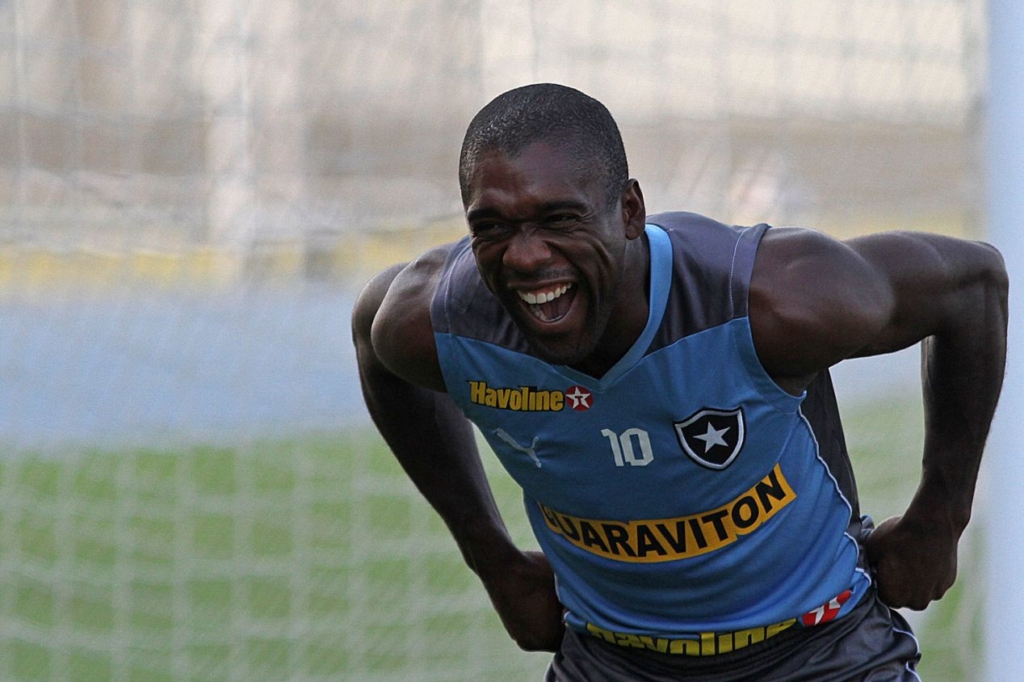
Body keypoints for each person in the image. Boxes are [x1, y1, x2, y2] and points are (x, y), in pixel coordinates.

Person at [351, 83, 1008, 680]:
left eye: (559, 219)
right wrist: (493, 562)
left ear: (630, 210)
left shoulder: (771, 299)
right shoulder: (443, 324)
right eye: (491, 227)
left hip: (820, 648)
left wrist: (940, 519)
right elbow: (373, 344)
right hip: (609, 659)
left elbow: (973, 286)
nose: (524, 256)